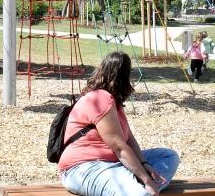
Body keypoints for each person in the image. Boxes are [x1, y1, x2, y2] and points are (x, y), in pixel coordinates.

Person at [58, 52, 179, 196]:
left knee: (168, 157)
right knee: (140, 194)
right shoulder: (100, 98)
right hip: (83, 167)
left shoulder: (115, 103)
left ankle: (138, 187)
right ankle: (141, 188)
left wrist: (143, 164)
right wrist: (146, 179)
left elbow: (129, 140)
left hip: (113, 164)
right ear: (123, 77)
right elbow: (119, 147)